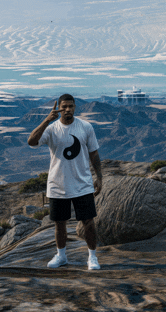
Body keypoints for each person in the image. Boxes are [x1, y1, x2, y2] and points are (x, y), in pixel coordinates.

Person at [28, 94, 102, 270]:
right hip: (58, 185)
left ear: (75, 107)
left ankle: (92, 257)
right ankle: (61, 256)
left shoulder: (85, 127)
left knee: (89, 223)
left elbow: (94, 153)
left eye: (71, 106)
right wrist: (47, 120)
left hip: (82, 184)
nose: (68, 109)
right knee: (59, 224)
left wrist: (99, 177)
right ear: (59, 108)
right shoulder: (52, 129)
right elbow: (32, 141)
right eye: (64, 106)